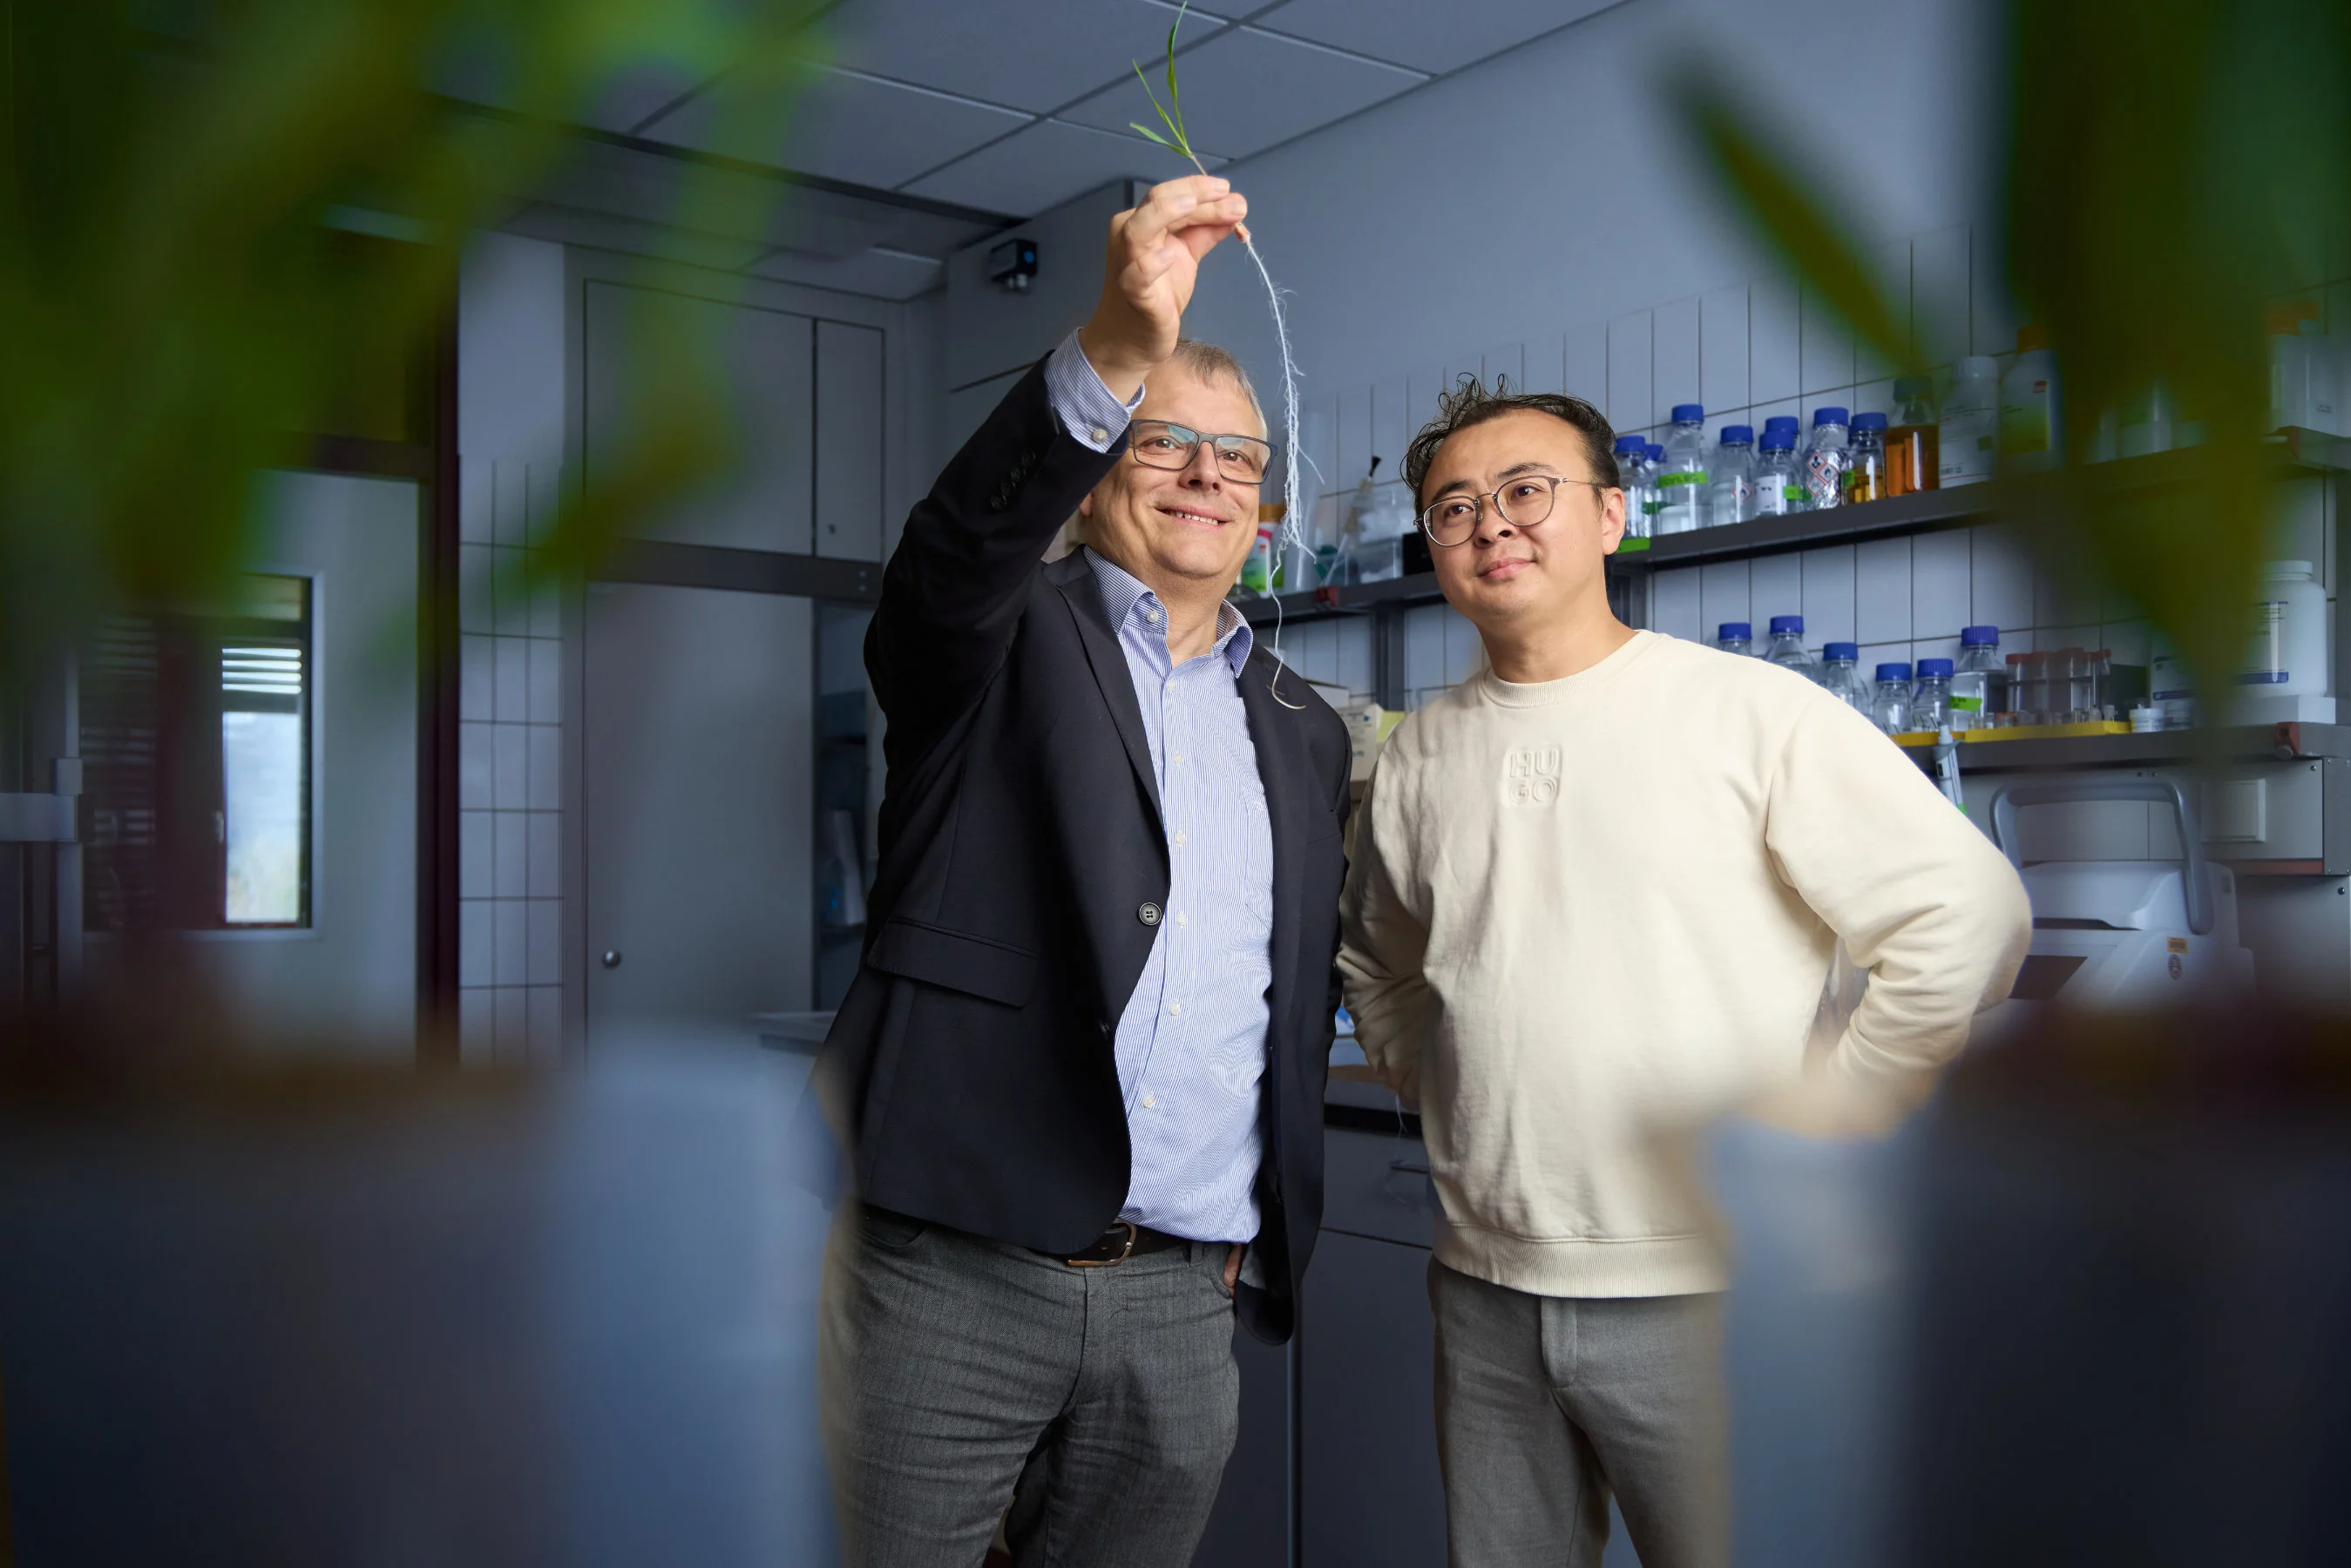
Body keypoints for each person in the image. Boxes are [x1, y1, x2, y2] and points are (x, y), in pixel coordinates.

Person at [1337, 377, 2031, 1567]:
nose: (1490, 524)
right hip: (1484, 1284)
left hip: (1713, 1292)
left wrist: (1834, 1118)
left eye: (1524, 491)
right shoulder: (1417, 757)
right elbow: (1376, 958)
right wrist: (1434, 1082)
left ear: (1610, 515)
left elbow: (1964, 916)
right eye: (1453, 509)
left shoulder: (1746, 713)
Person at [811, 173, 1353, 1568]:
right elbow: (951, 558)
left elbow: (1278, 996)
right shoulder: (992, 640)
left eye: (1236, 460)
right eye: (1163, 442)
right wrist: (1115, 340)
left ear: (1267, 511)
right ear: (1102, 465)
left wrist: (1262, 1217)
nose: (1202, 479)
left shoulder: (1298, 728)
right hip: (958, 1267)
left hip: (1182, 1296)